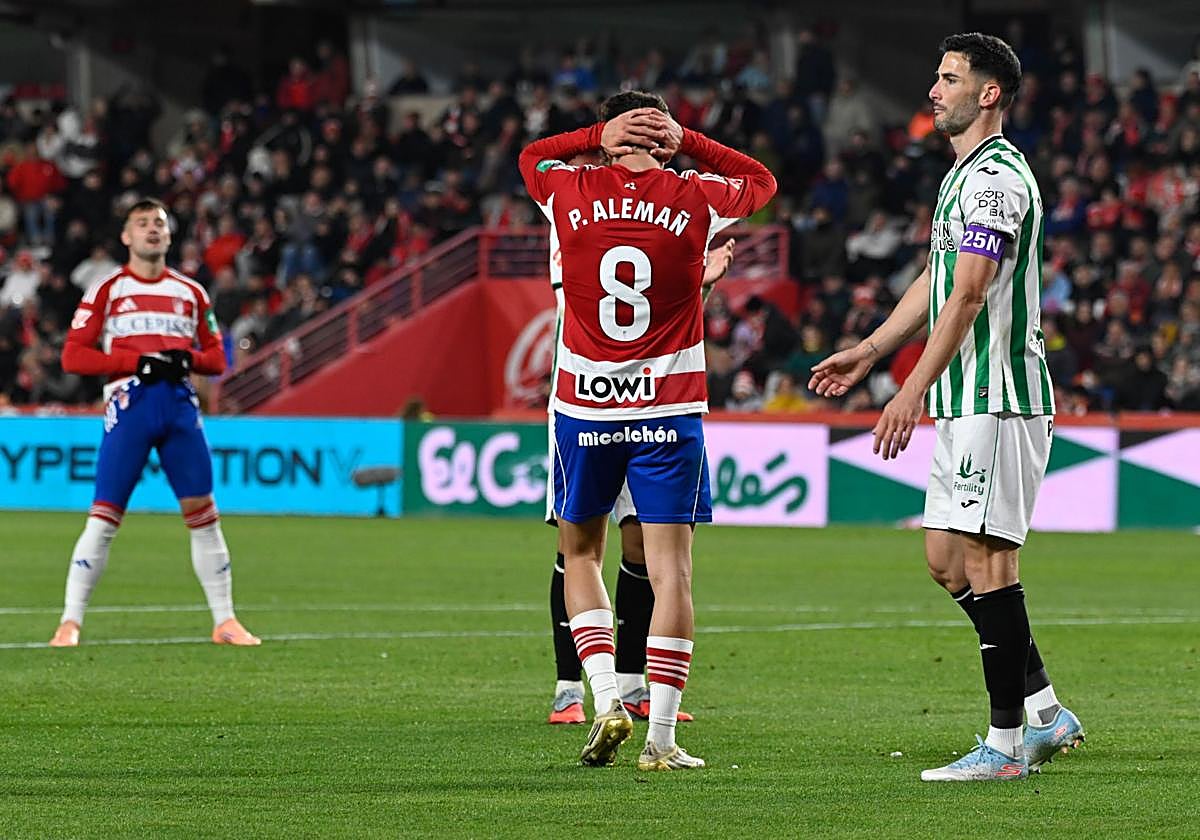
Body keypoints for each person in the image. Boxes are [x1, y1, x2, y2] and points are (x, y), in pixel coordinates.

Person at [810, 34, 1083, 782]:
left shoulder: (995, 180)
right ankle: (1046, 711)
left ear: (988, 94)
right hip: (965, 401)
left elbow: (967, 296)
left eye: (949, 78)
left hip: (997, 397)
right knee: (947, 561)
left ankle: (1005, 746)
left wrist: (910, 388)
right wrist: (871, 350)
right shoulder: (962, 175)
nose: (933, 90)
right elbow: (937, 280)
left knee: (991, 563)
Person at [520, 92, 775, 770]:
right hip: (668, 408)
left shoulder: (568, 191)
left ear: (610, 136)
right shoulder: (697, 196)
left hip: (584, 407)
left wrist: (593, 134)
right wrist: (690, 141)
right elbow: (762, 181)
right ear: (662, 138)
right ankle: (660, 738)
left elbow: (530, 157)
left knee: (580, 557)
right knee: (671, 573)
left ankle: (603, 696)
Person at [49, 198, 260, 648]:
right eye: (142, 223)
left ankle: (225, 621)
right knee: (104, 516)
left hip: (179, 405)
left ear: (169, 235)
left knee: (204, 515)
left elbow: (216, 359)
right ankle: (70, 622)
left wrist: (187, 359)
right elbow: (74, 356)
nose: (152, 229)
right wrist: (135, 362)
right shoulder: (107, 290)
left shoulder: (192, 292)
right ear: (126, 236)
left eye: (159, 223)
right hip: (131, 404)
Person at [547, 239, 735, 726]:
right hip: (596, 398)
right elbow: (596, 313)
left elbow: (655, 319)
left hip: (644, 400)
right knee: (578, 546)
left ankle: (630, 684)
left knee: (639, 545)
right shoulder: (576, 219)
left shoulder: (644, 222)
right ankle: (570, 687)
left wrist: (697, 287)